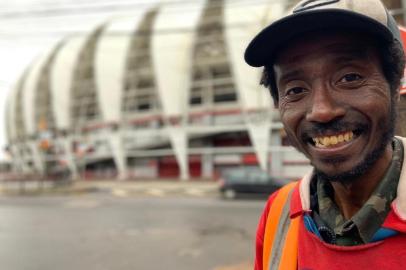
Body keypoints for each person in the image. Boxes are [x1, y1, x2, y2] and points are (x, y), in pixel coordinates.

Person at [244, 0, 406, 269]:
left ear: (394, 84)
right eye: (295, 90)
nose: (321, 111)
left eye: (349, 77)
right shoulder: (281, 212)